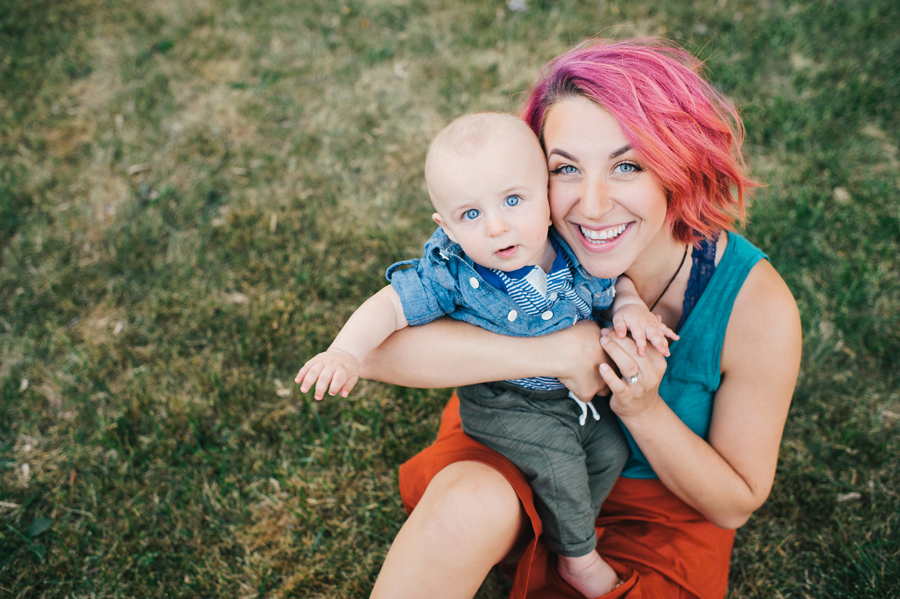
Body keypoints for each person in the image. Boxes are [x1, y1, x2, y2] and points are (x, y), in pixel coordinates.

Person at [358, 38, 802, 599]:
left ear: (678, 167)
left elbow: (734, 504)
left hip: (657, 508)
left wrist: (641, 408)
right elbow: (373, 352)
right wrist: (555, 353)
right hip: (520, 434)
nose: (591, 206)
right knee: (466, 506)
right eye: (565, 169)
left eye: (627, 166)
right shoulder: (513, 237)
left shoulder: (756, 306)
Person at [296, 111, 678, 597]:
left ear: (545, 197)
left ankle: (560, 522)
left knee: (610, 451)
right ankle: (577, 559)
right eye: (470, 215)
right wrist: (345, 353)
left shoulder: (571, 247)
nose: (497, 227)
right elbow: (391, 304)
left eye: (513, 201)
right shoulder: (454, 272)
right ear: (447, 227)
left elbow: (614, 284)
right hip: (505, 403)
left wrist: (630, 307)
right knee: (559, 462)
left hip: (572, 402)